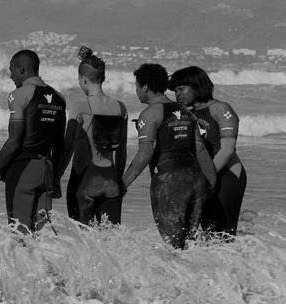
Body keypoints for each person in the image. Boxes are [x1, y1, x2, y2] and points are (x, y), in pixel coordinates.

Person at [119, 62, 215, 249]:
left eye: (137, 85)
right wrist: (211, 180)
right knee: (190, 244)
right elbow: (200, 148)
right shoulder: (186, 112)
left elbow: (145, 153)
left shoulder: (149, 114)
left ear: (145, 86)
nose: (137, 90)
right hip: (196, 180)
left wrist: (123, 184)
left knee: (173, 246)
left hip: (170, 182)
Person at [0, 49, 68, 233]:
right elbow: (60, 144)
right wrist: (55, 179)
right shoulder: (59, 98)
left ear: (22, 69)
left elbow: (14, 141)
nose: (10, 76)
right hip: (47, 171)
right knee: (44, 235)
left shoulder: (19, 95)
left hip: (24, 170)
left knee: (19, 234)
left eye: (12, 70)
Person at [170, 65, 247, 237]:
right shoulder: (186, 115)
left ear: (196, 86)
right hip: (202, 179)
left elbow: (227, 150)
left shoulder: (222, 109)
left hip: (227, 175)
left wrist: (206, 177)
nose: (178, 95)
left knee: (223, 235)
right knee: (206, 235)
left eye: (181, 88)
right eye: (175, 91)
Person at [56, 46, 130, 226]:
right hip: (111, 181)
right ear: (103, 78)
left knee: (84, 241)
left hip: (84, 180)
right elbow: (122, 152)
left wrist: (55, 178)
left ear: (82, 79)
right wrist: (119, 180)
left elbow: (68, 148)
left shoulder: (80, 107)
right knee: (111, 242)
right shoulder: (120, 107)